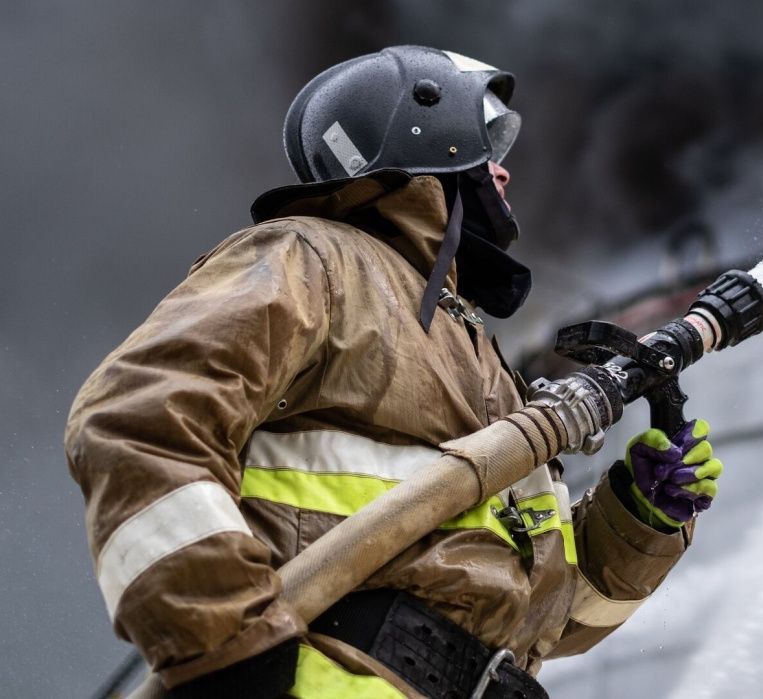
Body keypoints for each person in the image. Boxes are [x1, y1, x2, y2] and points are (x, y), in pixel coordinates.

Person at [66, 46, 723, 699]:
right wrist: (232, 654)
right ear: (428, 131)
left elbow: (544, 619)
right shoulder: (312, 257)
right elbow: (136, 421)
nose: (505, 173)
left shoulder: (480, 359)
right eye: (489, 141)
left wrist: (640, 519)